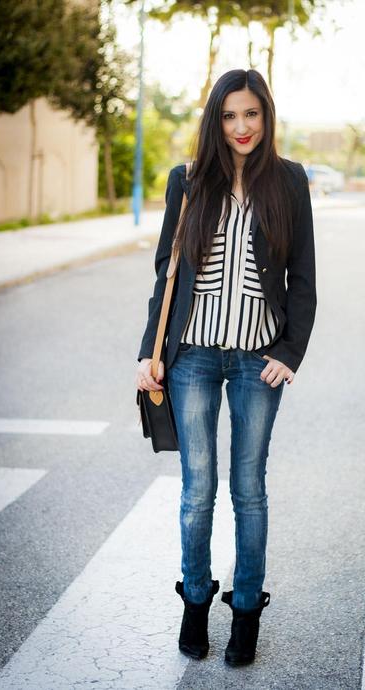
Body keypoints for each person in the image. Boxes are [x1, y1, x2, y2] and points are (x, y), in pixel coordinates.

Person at [136, 68, 316, 667]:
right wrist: (150, 352)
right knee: (197, 491)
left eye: (252, 114)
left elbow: (304, 281)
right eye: (230, 115)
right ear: (217, 121)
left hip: (257, 361)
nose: (241, 127)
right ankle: (194, 600)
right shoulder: (187, 182)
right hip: (192, 356)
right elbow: (167, 276)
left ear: (266, 117)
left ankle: (244, 611)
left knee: (249, 490)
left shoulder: (289, 182)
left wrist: (288, 353)